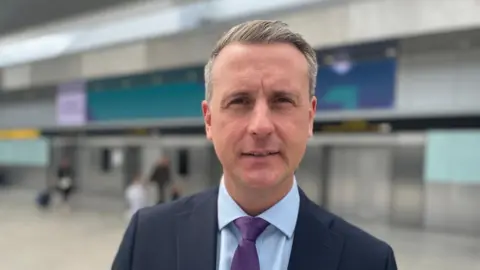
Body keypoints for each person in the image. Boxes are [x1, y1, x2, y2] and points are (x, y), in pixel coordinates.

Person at [112, 20, 397, 270]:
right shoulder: (147, 238)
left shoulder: (369, 260)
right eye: (239, 101)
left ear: (310, 117)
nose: (261, 126)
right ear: (209, 120)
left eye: (282, 101)